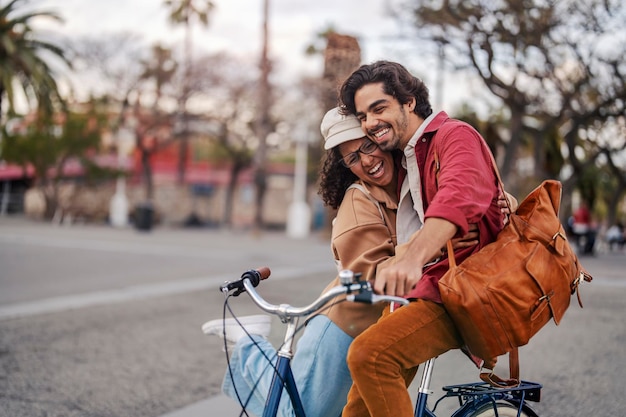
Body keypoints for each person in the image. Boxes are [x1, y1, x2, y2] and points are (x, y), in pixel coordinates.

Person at [337, 60, 509, 417]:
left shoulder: (454, 135)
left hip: (461, 291)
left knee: (370, 357)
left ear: (409, 102)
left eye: (379, 108)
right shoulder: (409, 155)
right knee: (359, 406)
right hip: (427, 289)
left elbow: (459, 197)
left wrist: (412, 258)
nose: (369, 123)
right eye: (363, 115)